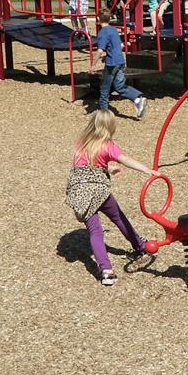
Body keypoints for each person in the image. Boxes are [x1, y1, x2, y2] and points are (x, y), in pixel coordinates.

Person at [64, 109, 156, 286]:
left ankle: (106, 271)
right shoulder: (107, 145)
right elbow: (125, 159)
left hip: (80, 192)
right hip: (99, 191)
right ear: (111, 127)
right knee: (118, 217)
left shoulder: (81, 143)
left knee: (95, 231)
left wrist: (107, 169)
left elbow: (86, 169)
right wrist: (146, 170)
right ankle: (139, 246)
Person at [92, 9, 147, 118]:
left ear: (98, 19)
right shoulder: (113, 30)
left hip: (111, 64)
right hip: (120, 61)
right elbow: (119, 46)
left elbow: (100, 50)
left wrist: (93, 65)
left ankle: (103, 115)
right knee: (119, 86)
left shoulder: (102, 33)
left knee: (104, 89)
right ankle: (137, 99)